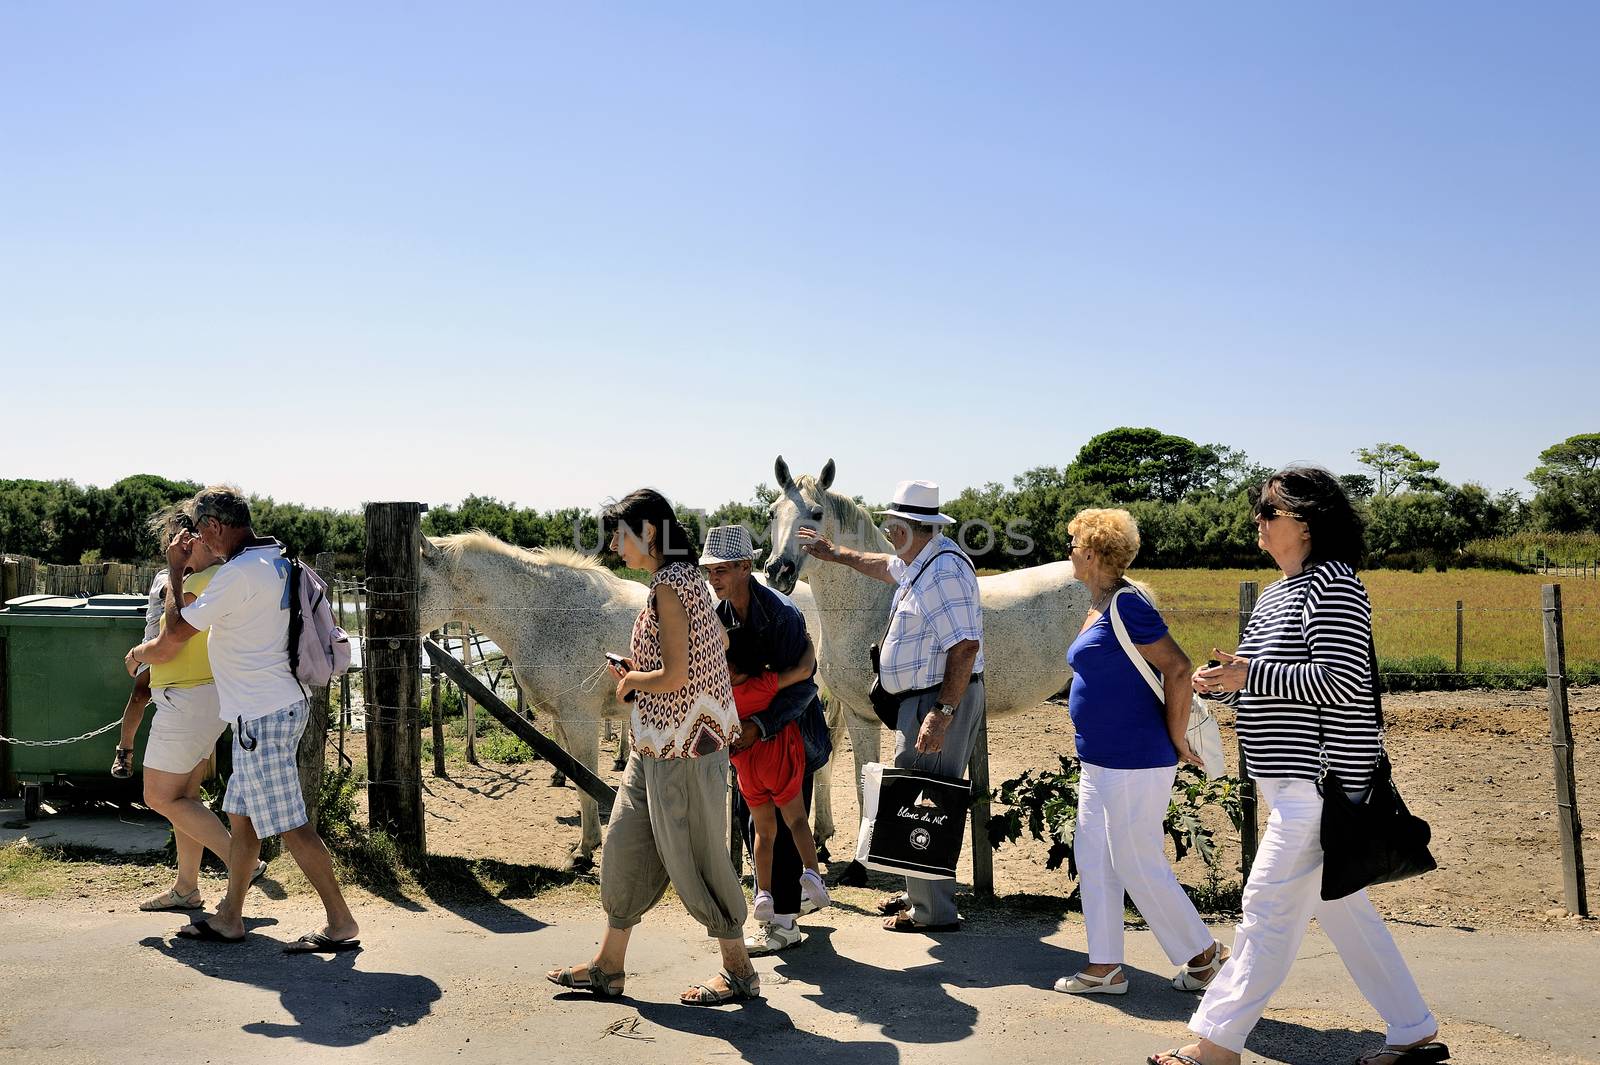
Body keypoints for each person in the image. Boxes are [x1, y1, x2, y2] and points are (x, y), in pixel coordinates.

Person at [1149, 467, 1447, 1065]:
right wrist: (1232, 679)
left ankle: (1215, 1044)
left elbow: (1341, 683)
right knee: (1343, 909)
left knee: (1264, 908)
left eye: (1268, 512)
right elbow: (1278, 680)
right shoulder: (1276, 592)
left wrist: (1248, 674)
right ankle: (1413, 1031)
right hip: (1289, 781)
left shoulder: (1333, 585)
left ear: (1305, 524)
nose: (1257, 522)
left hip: (1321, 781)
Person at [547, 490, 758, 1005]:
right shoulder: (685, 582)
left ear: (649, 533)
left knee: (698, 855)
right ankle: (608, 967)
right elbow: (720, 646)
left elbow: (677, 673)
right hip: (658, 744)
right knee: (623, 846)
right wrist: (644, 676)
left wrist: (631, 683)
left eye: (621, 535)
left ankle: (738, 971)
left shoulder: (669, 586)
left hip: (683, 747)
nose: (616, 546)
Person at [126, 485, 359, 954]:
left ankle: (340, 922)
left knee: (292, 825)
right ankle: (230, 916)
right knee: (243, 819)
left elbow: (174, 634)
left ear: (214, 527)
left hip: (262, 714)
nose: (194, 540)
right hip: (273, 706)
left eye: (197, 531)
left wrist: (177, 570)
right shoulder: (275, 557)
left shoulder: (237, 574)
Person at [799, 478, 983, 933]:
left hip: (935, 700)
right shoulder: (918, 562)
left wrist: (942, 713)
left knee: (927, 800)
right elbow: (879, 564)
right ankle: (918, 891)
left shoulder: (944, 570)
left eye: (894, 525)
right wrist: (833, 553)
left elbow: (964, 647)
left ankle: (934, 912)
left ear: (915, 526)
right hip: (918, 699)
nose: (889, 532)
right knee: (913, 795)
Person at [1055, 508, 1224, 996]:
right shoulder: (1100, 603)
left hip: (1135, 758)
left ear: (1090, 553)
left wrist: (1175, 737)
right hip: (1100, 758)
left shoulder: (1128, 604)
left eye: (1073, 544)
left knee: (1135, 860)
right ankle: (1104, 966)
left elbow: (1178, 667)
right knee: (1094, 858)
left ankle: (1205, 957)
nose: (1069, 551)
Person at [702, 524, 834, 954]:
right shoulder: (719, 616)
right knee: (754, 823)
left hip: (789, 734)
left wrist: (760, 725)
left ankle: (784, 924)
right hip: (745, 744)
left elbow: (804, 686)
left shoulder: (782, 614)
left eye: (722, 569)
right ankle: (782, 909)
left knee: (790, 819)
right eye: (709, 570)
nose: (713, 578)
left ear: (746, 566)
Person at [131, 503, 264, 912]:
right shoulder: (220, 576)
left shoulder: (196, 582)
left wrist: (136, 655)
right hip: (207, 697)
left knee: (158, 795)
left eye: (184, 539)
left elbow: (169, 642)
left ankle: (241, 861)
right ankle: (187, 886)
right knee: (185, 797)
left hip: (185, 698)